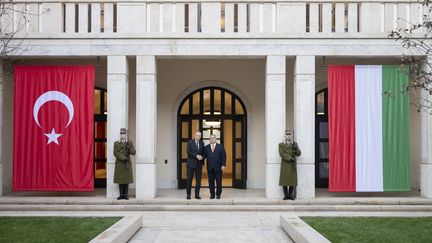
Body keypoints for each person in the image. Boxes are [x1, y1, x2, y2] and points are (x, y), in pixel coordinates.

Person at [113, 128, 136, 200]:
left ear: (126, 135)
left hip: (126, 164)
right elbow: (115, 153)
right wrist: (124, 158)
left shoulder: (129, 142)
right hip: (120, 163)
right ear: (119, 134)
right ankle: (121, 195)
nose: (122, 134)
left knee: (126, 180)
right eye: (121, 133)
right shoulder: (116, 143)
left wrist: (129, 149)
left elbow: (134, 152)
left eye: (123, 133)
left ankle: (125, 195)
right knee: (120, 180)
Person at [279, 129, 301, 200]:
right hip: (285, 164)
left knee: (292, 180)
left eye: (289, 134)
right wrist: (290, 158)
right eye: (287, 134)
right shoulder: (281, 144)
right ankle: (286, 195)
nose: (288, 135)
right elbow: (282, 154)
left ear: (291, 135)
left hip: (292, 165)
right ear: (285, 135)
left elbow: (299, 154)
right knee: (284, 180)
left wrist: (296, 148)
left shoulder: (294, 144)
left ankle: (290, 195)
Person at [203, 134, 226, 199]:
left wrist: (223, 165)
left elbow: (223, 157)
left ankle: (218, 194)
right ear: (209, 139)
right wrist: (200, 157)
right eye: (211, 138)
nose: (212, 139)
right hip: (210, 168)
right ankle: (212, 194)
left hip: (218, 167)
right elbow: (204, 156)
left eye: (213, 138)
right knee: (211, 182)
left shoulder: (220, 147)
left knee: (219, 182)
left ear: (216, 139)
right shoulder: (206, 147)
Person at [186, 131, 205, 200]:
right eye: (197, 135)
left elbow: (203, 153)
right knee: (189, 180)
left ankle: (197, 195)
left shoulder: (202, 143)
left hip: (199, 165)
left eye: (199, 136)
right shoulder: (190, 142)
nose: (198, 137)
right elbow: (188, 152)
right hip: (190, 164)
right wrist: (196, 156)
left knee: (198, 181)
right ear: (194, 135)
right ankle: (188, 194)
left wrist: (202, 158)